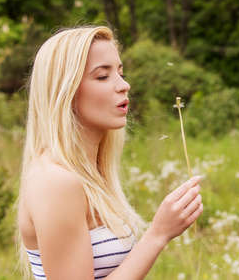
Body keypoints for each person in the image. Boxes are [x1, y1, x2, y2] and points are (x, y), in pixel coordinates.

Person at [15, 26, 203, 280]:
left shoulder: (90, 173)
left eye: (120, 72)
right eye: (103, 76)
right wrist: (158, 234)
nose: (124, 85)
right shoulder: (56, 182)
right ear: (65, 91)